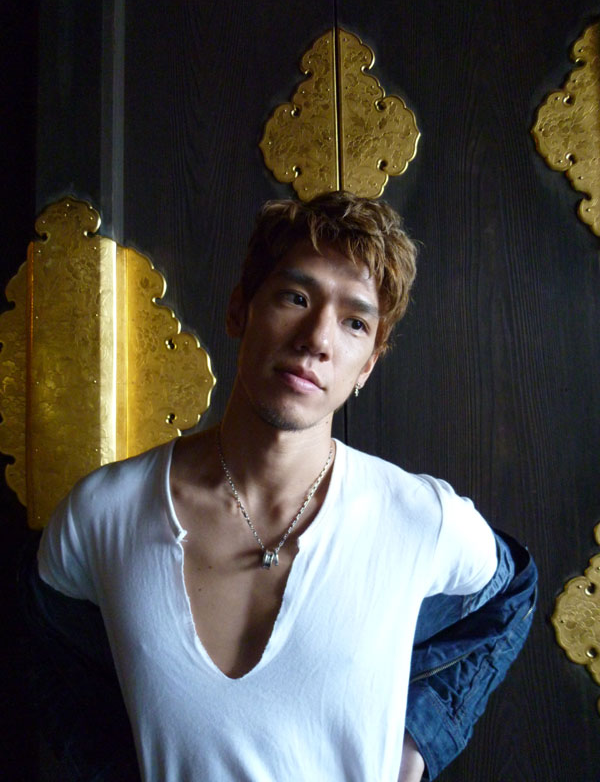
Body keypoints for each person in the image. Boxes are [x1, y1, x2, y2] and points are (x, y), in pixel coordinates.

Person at [27, 192, 536, 781]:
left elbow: (511, 593)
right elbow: (48, 657)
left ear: (369, 364)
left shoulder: (418, 518)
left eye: (354, 323)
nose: (317, 338)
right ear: (239, 311)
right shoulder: (103, 512)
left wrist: (417, 741)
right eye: (296, 297)